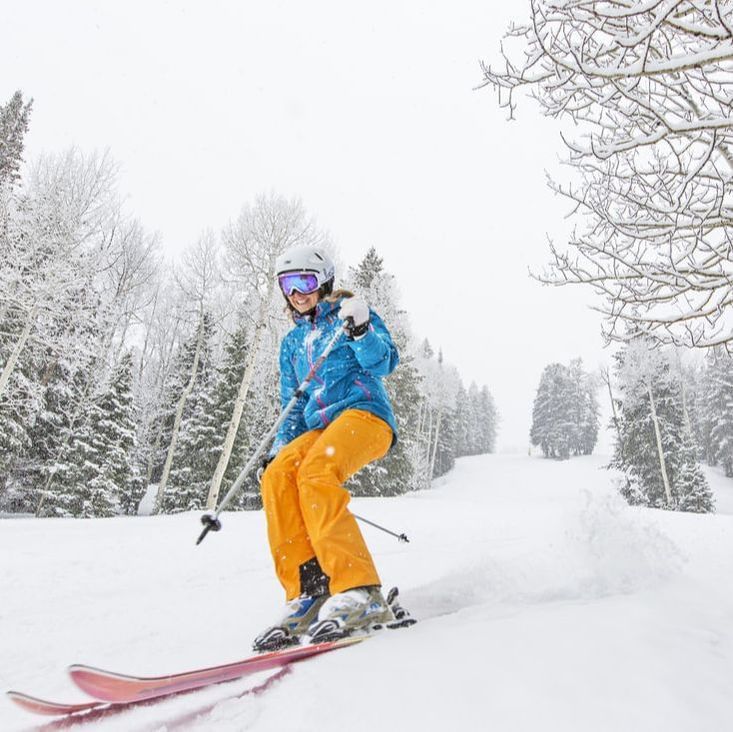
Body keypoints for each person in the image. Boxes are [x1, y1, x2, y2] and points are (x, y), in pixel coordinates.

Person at [253, 245, 400, 651]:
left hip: (364, 414)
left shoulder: (350, 314)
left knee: (316, 472)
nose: (298, 292)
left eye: (306, 281)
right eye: (288, 284)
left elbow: (385, 361)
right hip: (320, 428)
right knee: (280, 476)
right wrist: (281, 449)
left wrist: (361, 332)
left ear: (325, 281)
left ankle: (360, 590)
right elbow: (294, 405)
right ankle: (309, 589)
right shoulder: (292, 343)